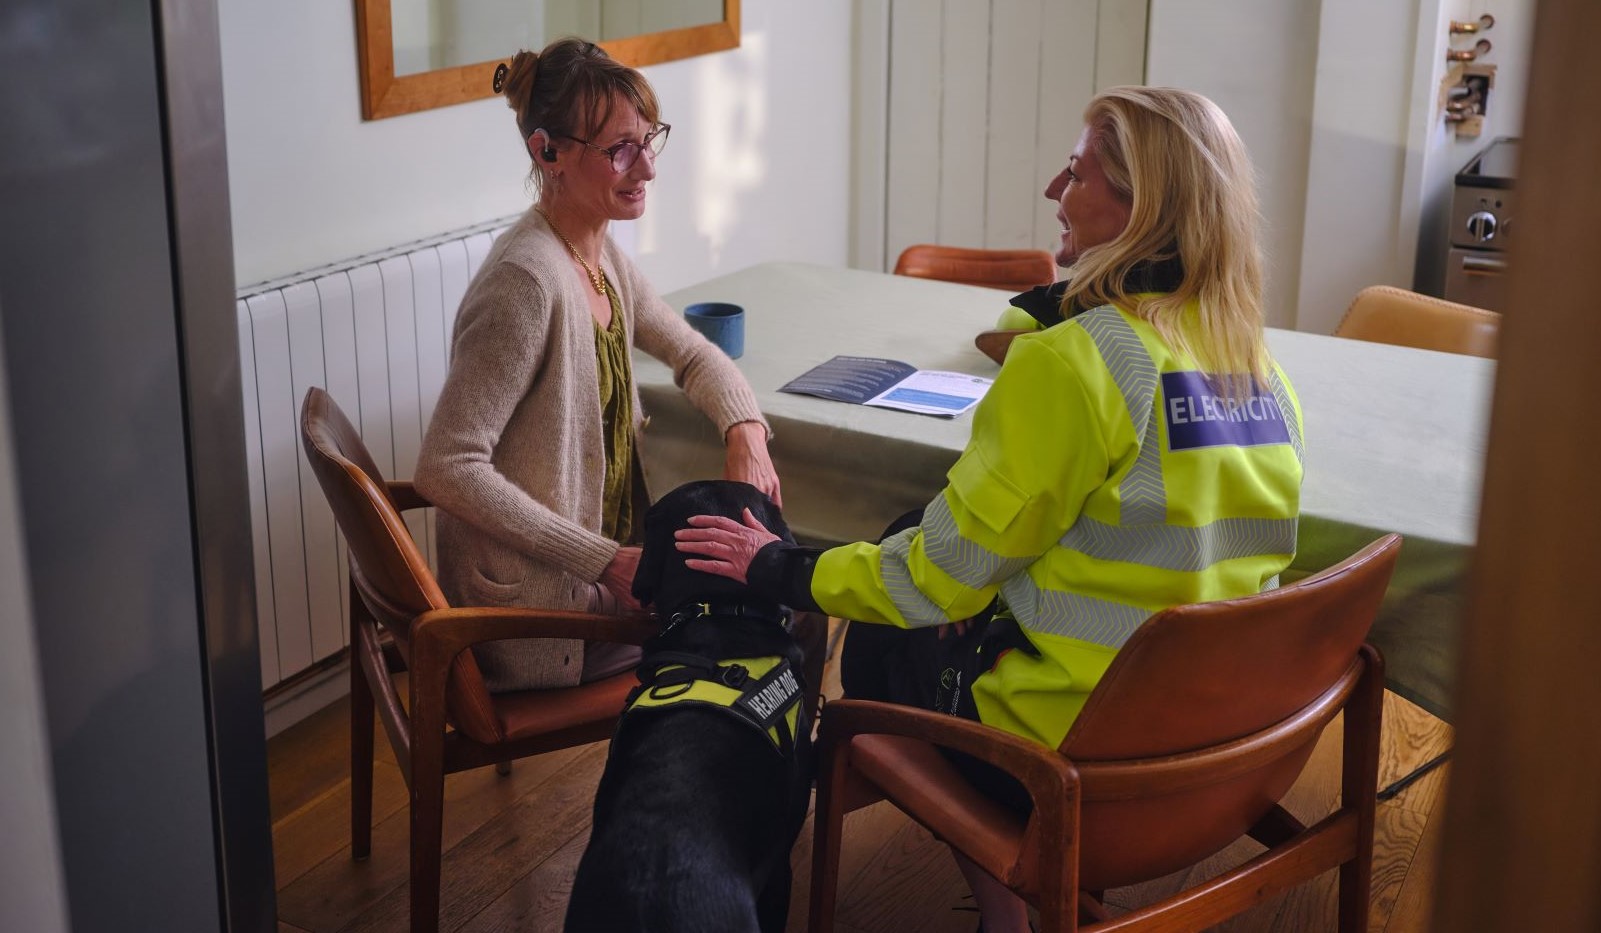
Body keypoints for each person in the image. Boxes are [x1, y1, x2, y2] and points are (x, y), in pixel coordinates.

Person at [674, 86, 1305, 933]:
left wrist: (779, 568)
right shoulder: (1256, 368)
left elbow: (934, 582)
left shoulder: (1076, 365)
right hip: (1214, 759)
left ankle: (1011, 910)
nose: (1053, 189)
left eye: (1076, 172)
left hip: (1074, 770)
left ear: (1140, 205)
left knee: (887, 624)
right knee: (925, 551)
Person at [414, 38, 779, 694]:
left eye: (648, 140)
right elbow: (446, 465)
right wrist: (604, 560)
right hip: (542, 613)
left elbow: (694, 352)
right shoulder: (527, 281)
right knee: (778, 610)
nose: (646, 168)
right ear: (546, 152)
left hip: (598, 577)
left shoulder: (597, 254)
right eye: (619, 149)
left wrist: (745, 431)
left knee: (765, 581)